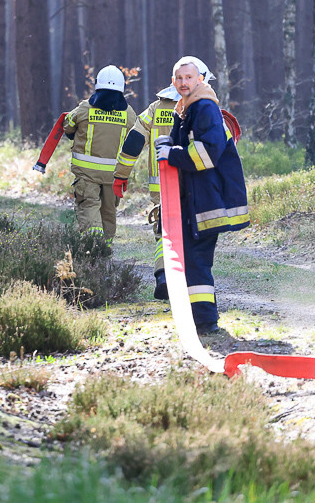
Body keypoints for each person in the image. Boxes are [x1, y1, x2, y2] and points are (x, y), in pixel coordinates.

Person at [156, 57, 249, 334]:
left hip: (208, 202)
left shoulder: (205, 108)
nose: (184, 82)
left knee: (197, 260)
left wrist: (172, 154)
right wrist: (170, 143)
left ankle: (206, 322)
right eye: (179, 78)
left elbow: (207, 155)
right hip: (196, 200)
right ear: (174, 82)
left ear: (200, 80)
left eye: (189, 77)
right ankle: (199, 318)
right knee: (191, 259)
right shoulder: (186, 109)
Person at [113, 57, 216, 300]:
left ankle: (163, 276)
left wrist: (121, 175)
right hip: (195, 183)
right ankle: (191, 283)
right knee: (193, 234)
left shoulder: (156, 109)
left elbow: (134, 141)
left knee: (165, 232)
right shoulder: (203, 105)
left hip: (162, 187)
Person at [62, 65, 137, 241]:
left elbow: (67, 126)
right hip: (114, 174)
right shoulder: (129, 114)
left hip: (86, 174)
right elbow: (135, 137)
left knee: (89, 205)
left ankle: (93, 246)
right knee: (109, 210)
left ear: (97, 86)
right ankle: (107, 248)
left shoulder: (84, 108)